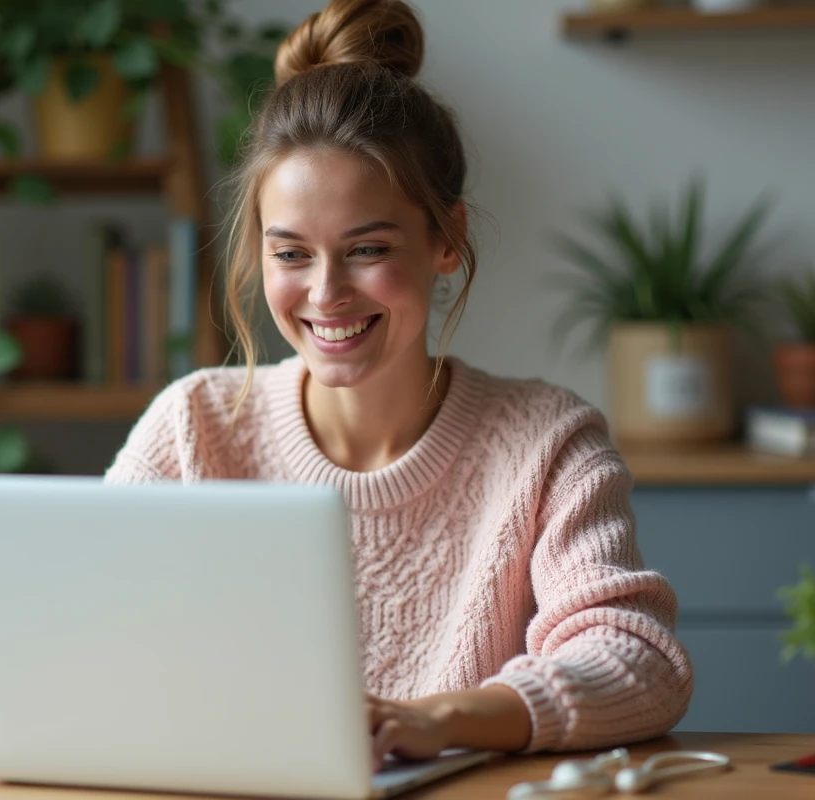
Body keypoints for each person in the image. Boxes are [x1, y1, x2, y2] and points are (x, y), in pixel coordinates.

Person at [105, 0, 692, 770]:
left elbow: (636, 662)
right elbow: (87, 637)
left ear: (447, 241)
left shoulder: (547, 442)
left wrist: (438, 719)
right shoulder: (193, 426)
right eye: (291, 255)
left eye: (366, 248)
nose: (325, 294)